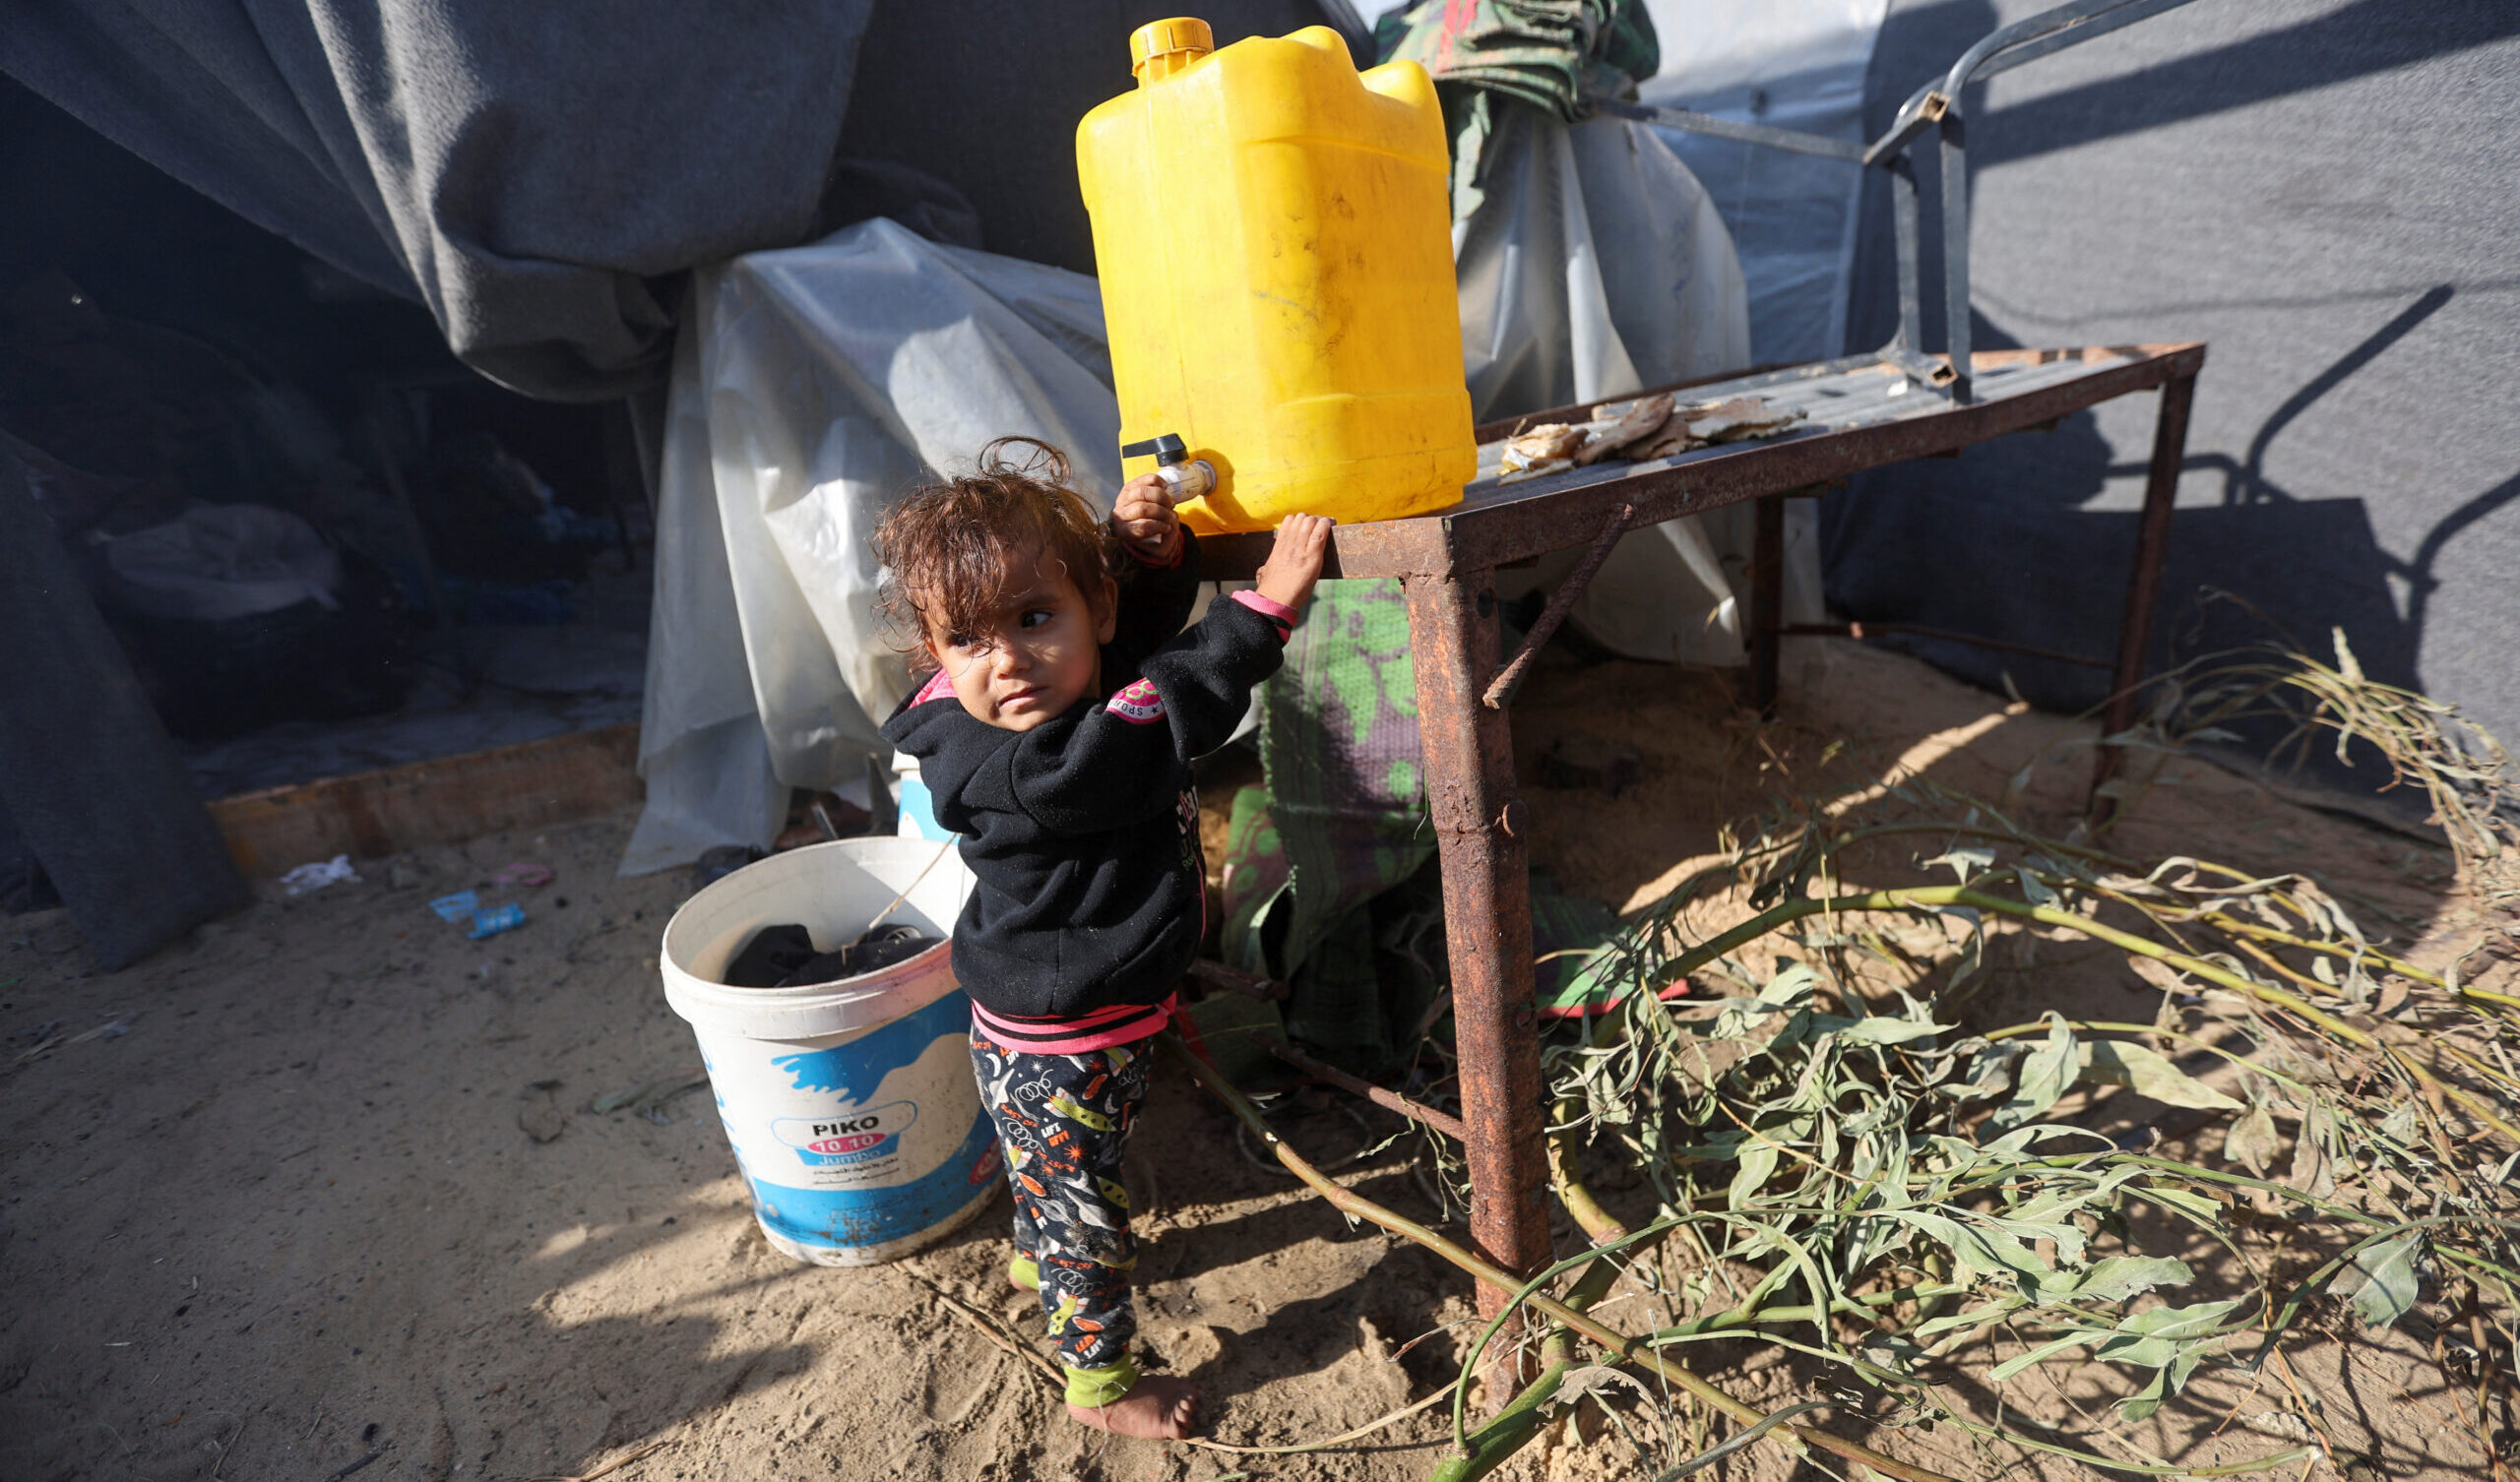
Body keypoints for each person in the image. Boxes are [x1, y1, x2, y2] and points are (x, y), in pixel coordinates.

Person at [875, 437, 1331, 1440]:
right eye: (971, 641)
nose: (1008, 661)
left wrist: (1142, 557)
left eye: (1034, 617)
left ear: (1092, 608)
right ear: (934, 656)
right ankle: (1104, 1386)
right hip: (1060, 1035)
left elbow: (1116, 648)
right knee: (1087, 1209)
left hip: (1068, 1011)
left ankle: (1037, 1239)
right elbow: (1143, 714)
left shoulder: (1059, 675)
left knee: (1064, 1166)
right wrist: (1258, 615)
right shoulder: (1033, 766)